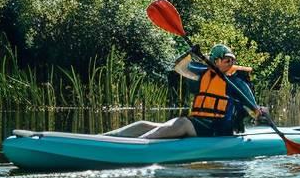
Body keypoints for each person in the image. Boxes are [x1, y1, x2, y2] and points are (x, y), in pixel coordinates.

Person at [108, 44, 266, 139]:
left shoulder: (236, 82)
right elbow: (180, 67)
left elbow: (254, 109)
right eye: (227, 60)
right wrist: (192, 53)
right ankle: (106, 138)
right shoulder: (204, 72)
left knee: (182, 122)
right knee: (144, 124)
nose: (231, 63)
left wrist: (260, 114)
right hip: (201, 123)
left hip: (218, 130)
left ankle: (138, 145)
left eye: (233, 61)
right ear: (215, 61)